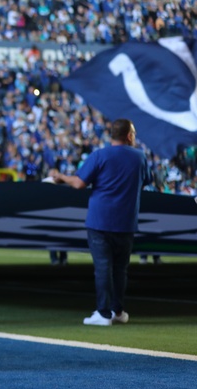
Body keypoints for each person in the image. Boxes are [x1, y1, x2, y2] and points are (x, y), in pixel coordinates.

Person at [49, 118, 150, 327]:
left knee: (103, 268)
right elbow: (145, 181)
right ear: (129, 135)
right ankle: (117, 311)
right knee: (121, 269)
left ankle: (103, 313)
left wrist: (61, 177)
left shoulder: (100, 155)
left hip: (100, 221)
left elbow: (78, 183)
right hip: (126, 222)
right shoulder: (140, 157)